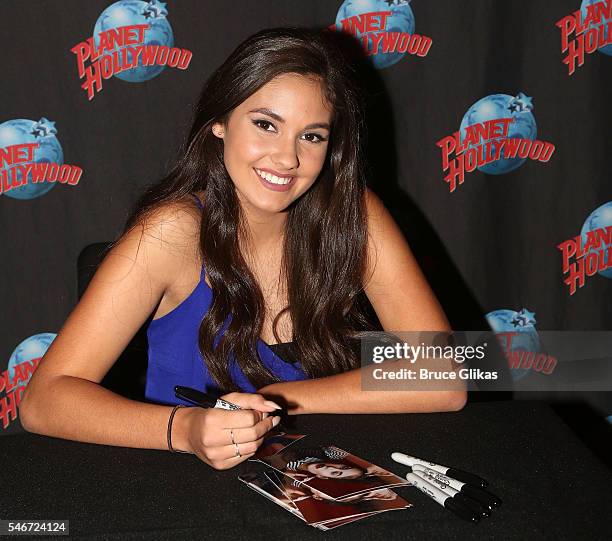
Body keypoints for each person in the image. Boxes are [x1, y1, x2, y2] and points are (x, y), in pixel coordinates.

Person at [19, 27, 466, 471]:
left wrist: (273, 403)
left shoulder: (355, 214)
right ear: (220, 121)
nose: (287, 158)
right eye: (266, 125)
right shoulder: (171, 233)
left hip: (314, 476)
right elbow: (43, 401)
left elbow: (445, 378)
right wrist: (187, 429)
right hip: (182, 485)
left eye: (311, 136)